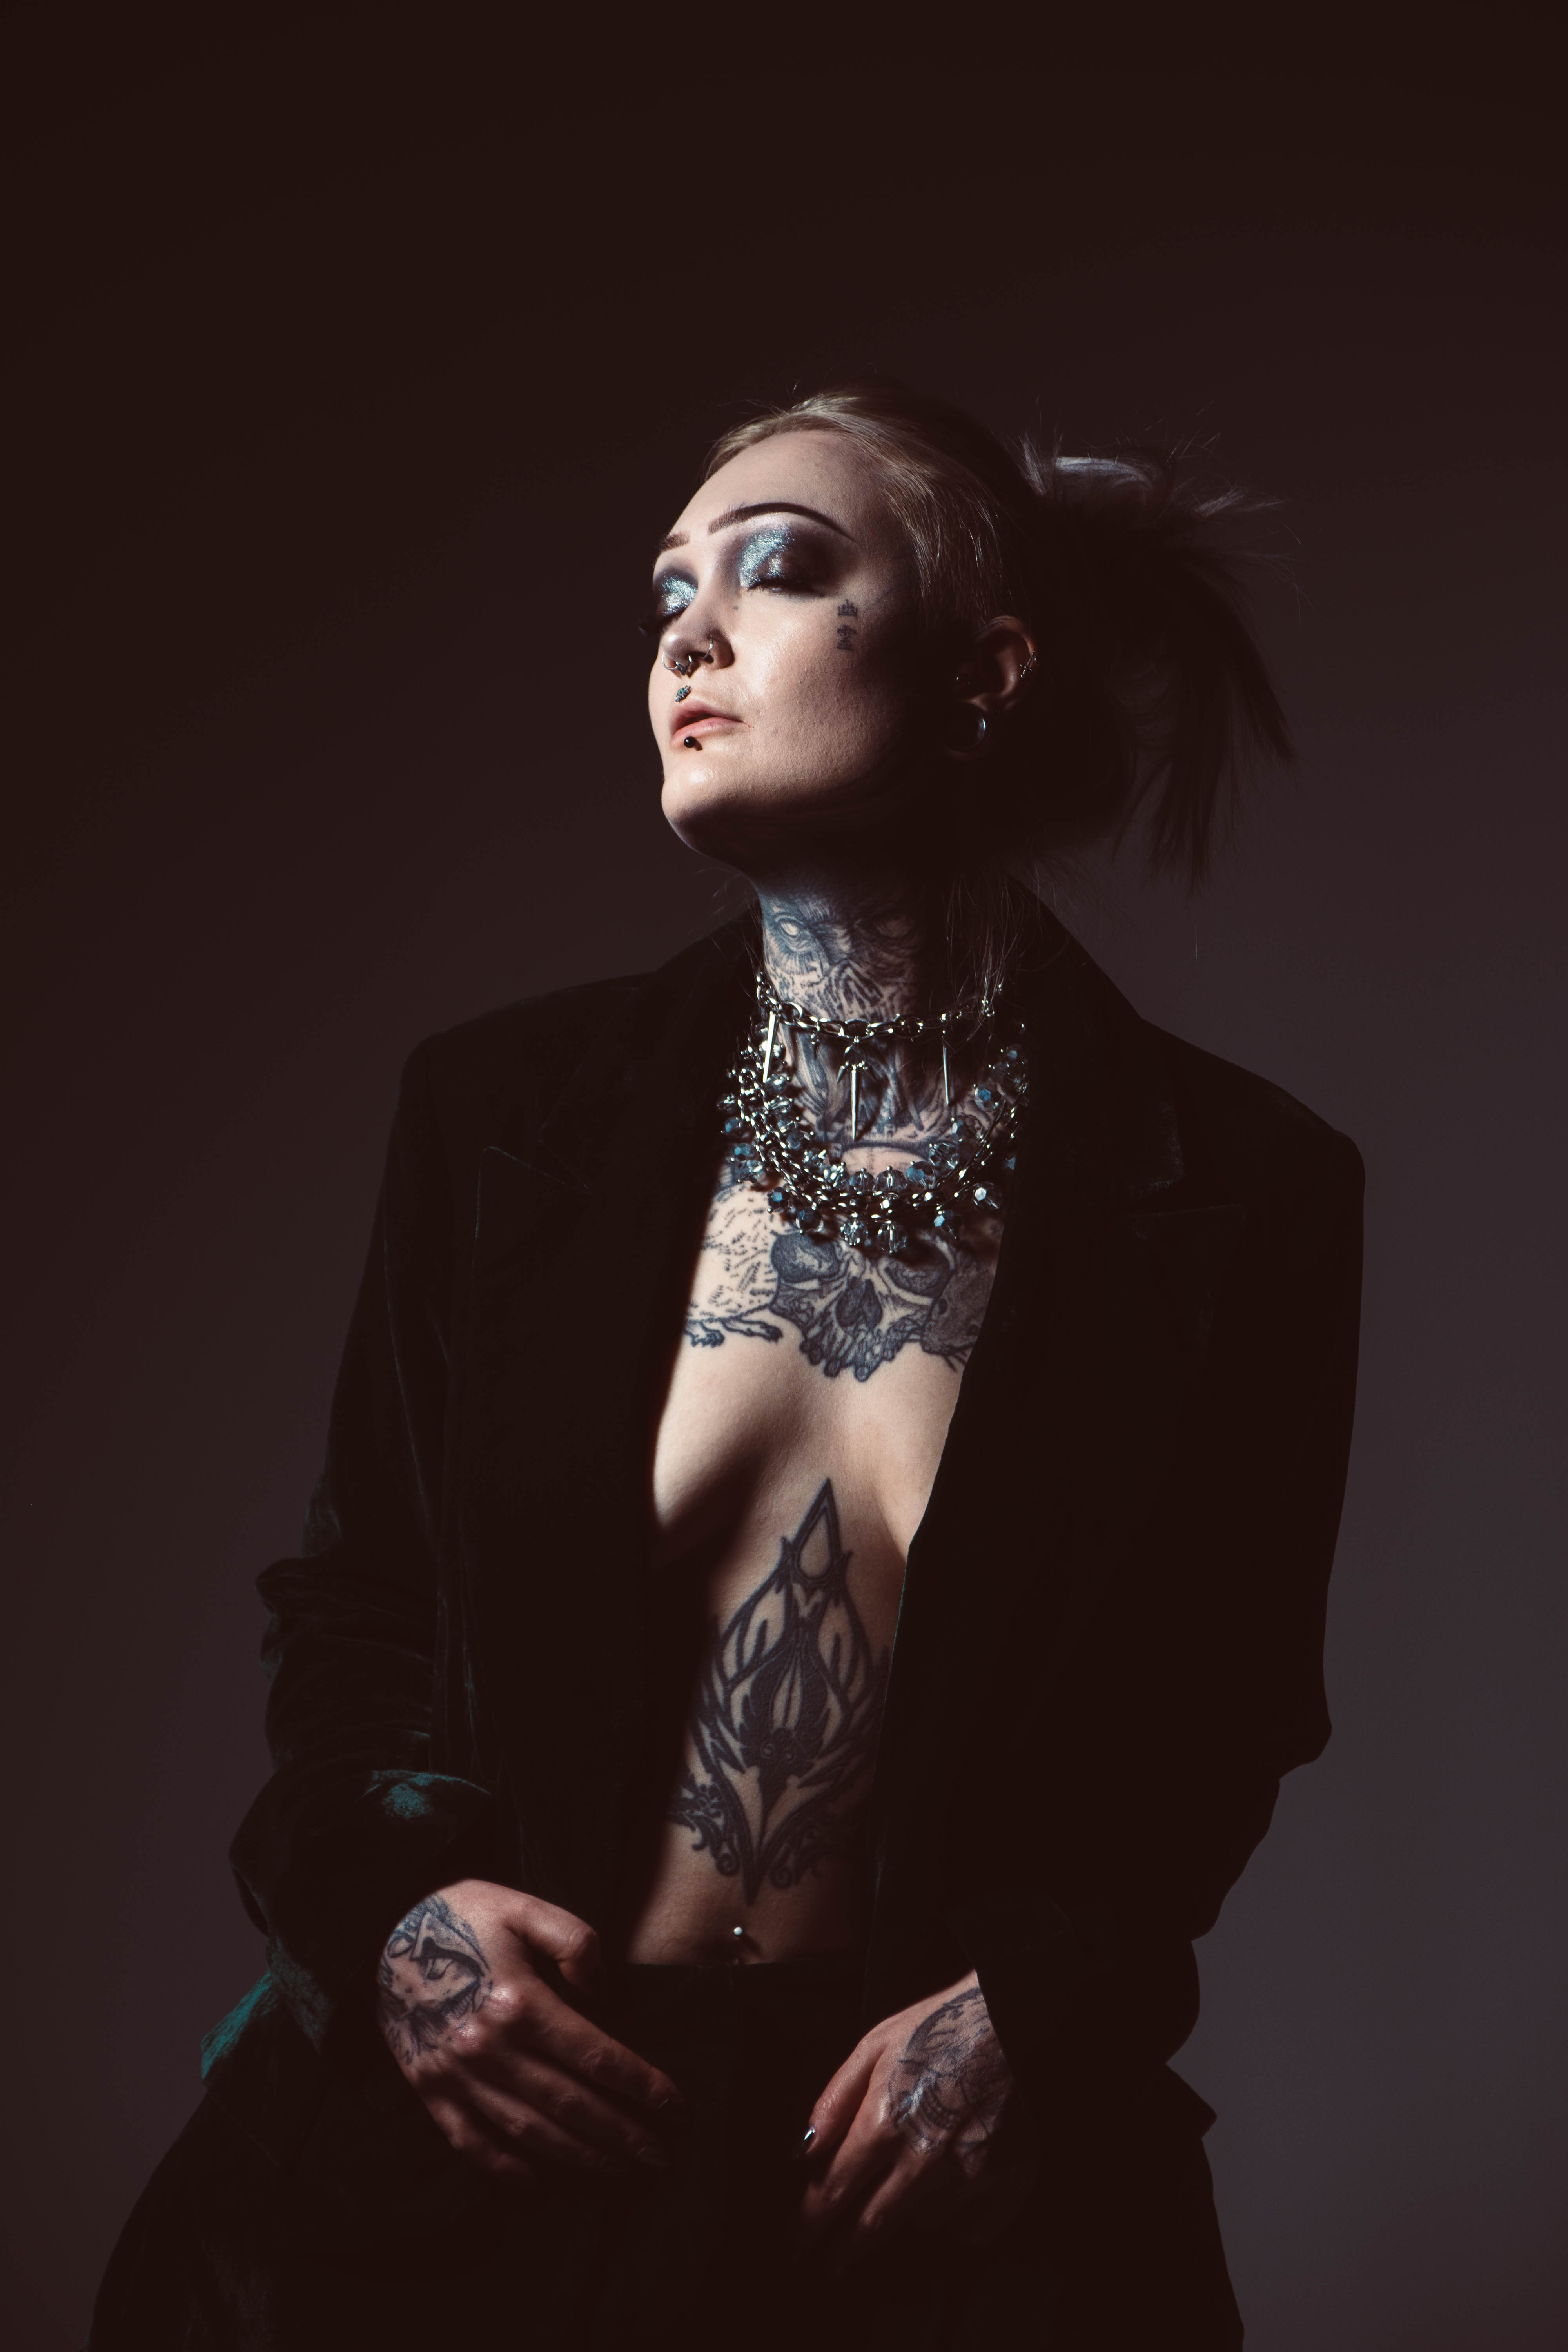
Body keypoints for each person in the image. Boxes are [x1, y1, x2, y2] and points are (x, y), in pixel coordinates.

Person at [92, 381, 1363, 2349]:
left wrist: (1043, 2012)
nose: (688, 637)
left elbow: (1218, 1713)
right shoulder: (503, 1120)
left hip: (918, 2189)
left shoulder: (1240, 1192)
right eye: (667, 593)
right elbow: (356, 1609)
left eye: (775, 570)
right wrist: (399, 1923)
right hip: (497, 2153)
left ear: (985, 669)